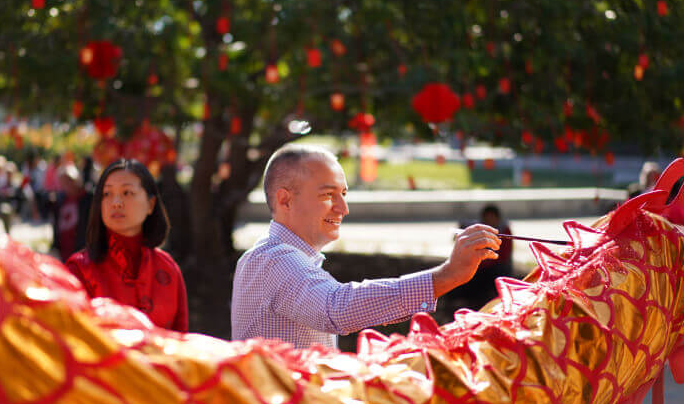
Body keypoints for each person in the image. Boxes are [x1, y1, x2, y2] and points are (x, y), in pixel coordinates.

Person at [231, 144, 500, 348]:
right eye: (328, 195)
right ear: (285, 200)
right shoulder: (272, 259)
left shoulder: (290, 258)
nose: (343, 209)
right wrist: (446, 276)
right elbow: (337, 308)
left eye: (343, 194)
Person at [66, 159, 188, 331]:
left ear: (151, 204)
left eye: (127, 193)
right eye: (107, 194)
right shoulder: (80, 269)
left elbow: (181, 341)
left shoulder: (168, 268)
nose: (116, 202)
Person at [450, 204, 514, 310]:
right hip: (482, 266)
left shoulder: (504, 231)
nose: (489, 221)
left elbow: (503, 256)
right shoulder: (479, 231)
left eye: (492, 218)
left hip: (497, 268)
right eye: (486, 218)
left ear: (498, 219)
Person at [52, 163, 92, 261]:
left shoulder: (89, 199)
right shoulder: (60, 200)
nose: (67, 184)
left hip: (83, 253)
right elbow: (56, 223)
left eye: (70, 180)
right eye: (64, 181)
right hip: (64, 252)